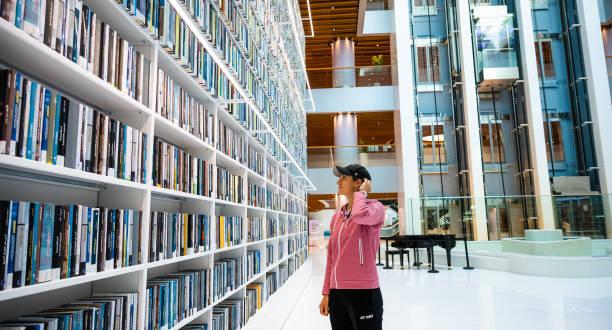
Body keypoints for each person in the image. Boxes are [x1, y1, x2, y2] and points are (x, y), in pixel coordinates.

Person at [319, 164, 385, 330]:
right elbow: (331, 258)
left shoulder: (375, 208)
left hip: (364, 291)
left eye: (344, 177)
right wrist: (327, 292)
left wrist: (362, 193)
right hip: (338, 292)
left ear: (358, 182)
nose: (338, 182)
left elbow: (359, 215)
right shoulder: (337, 217)